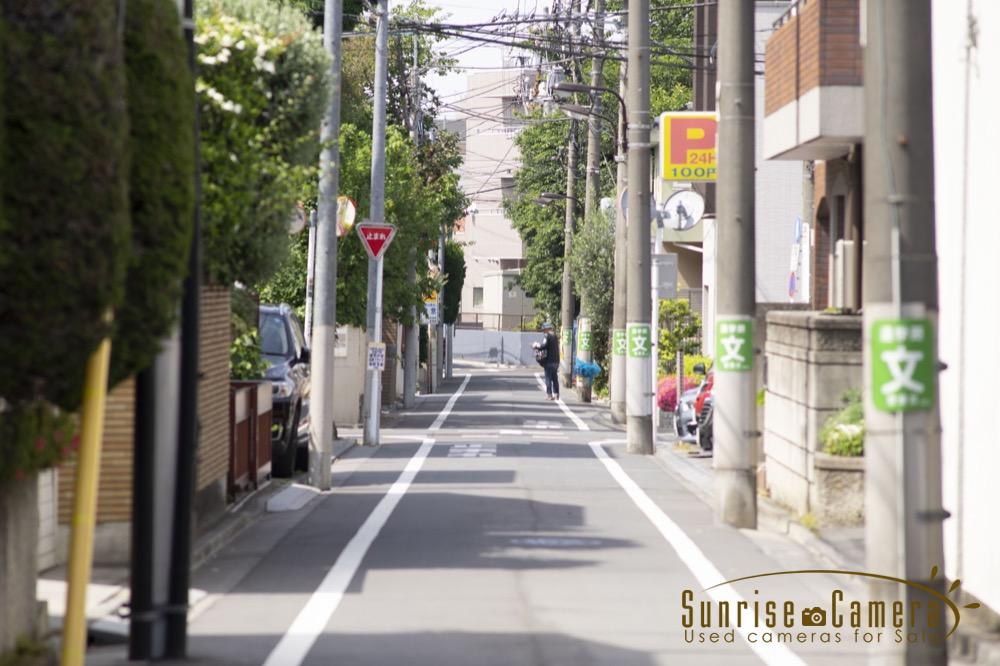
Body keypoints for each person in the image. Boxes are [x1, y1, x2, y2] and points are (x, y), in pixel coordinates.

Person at [539, 322, 560, 401]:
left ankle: (549, 395)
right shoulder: (555, 336)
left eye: (544, 330)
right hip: (556, 361)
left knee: (548, 378)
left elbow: (544, 346)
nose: (543, 331)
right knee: (555, 378)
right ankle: (557, 394)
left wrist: (537, 346)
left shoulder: (547, 336)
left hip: (549, 361)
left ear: (547, 329)